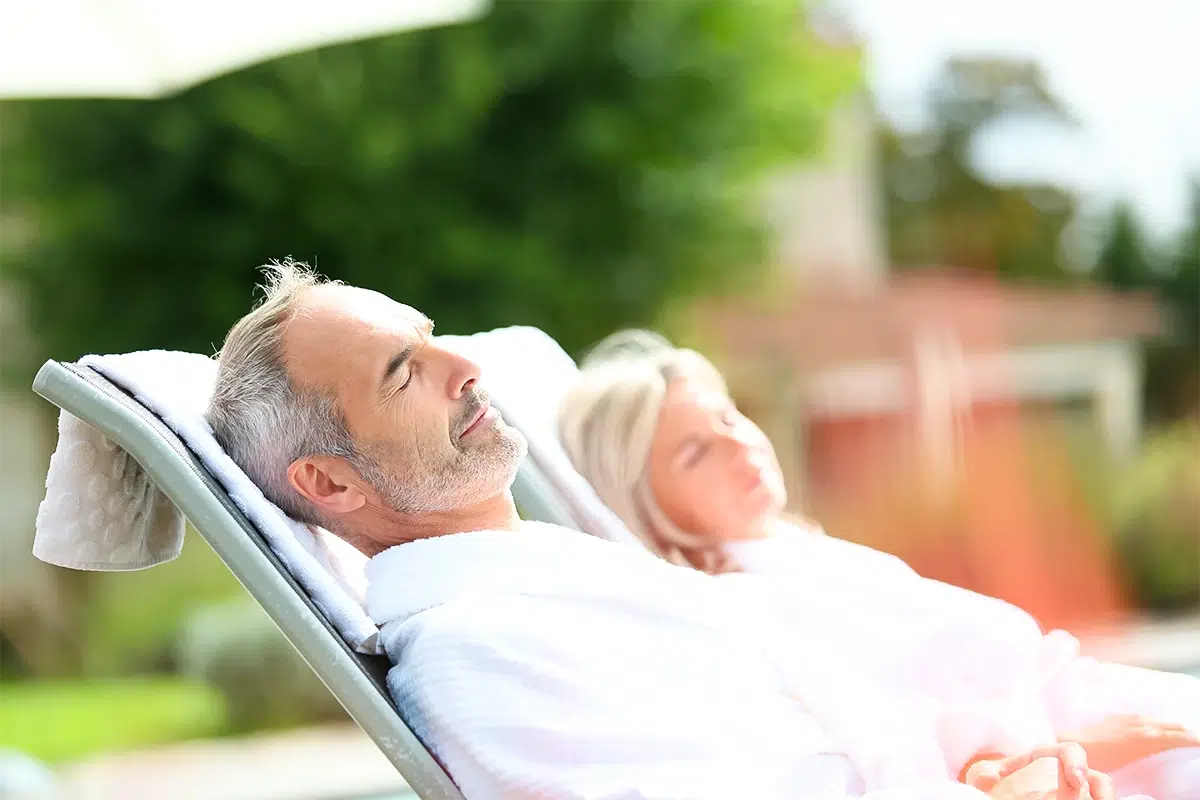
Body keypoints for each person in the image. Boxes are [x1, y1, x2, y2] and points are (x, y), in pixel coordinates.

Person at [205, 260, 1110, 800]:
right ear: (327, 480)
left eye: (432, 336)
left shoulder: (564, 577)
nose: (464, 363)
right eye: (404, 372)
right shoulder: (473, 654)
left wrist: (983, 764)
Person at [557, 328, 1200, 797]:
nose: (738, 444)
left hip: (1096, 711)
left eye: (730, 416)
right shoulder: (742, 606)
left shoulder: (801, 553)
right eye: (694, 453)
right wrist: (1081, 747)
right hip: (1076, 759)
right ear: (644, 502)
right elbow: (898, 740)